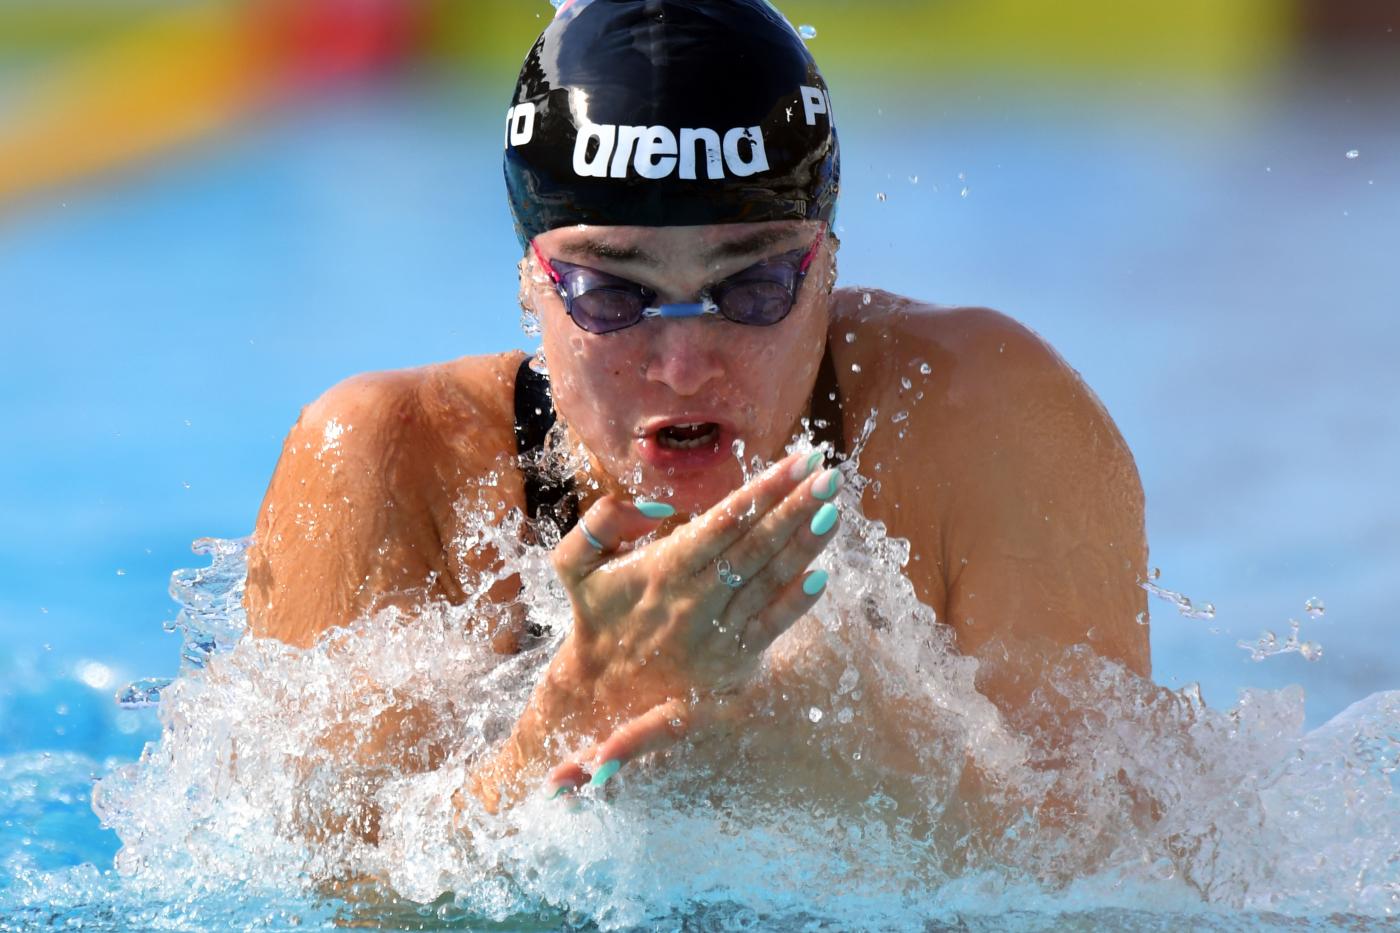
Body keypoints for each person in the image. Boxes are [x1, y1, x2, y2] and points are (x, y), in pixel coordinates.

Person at [244, 0, 1147, 816]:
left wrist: (868, 755)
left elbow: (1137, 867)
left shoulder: (983, 417)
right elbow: (322, 890)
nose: (682, 368)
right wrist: (565, 718)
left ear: (828, 264)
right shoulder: (391, 465)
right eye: (612, 295)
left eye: (751, 288)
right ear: (530, 279)